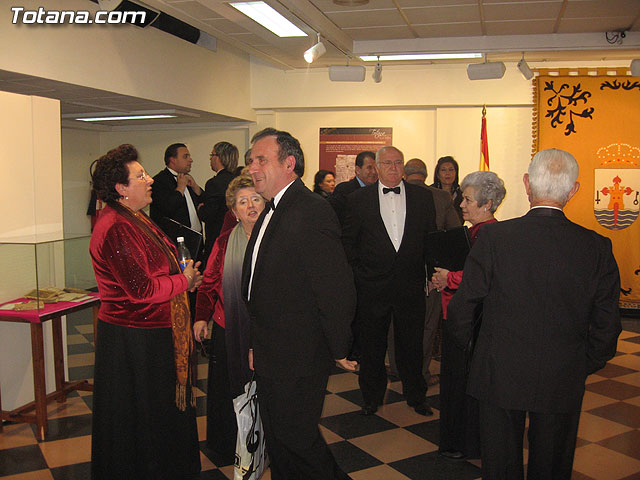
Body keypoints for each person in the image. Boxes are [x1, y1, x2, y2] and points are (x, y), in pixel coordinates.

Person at [447, 149, 621, 480]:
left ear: (527, 184)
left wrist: (474, 352)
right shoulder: (596, 247)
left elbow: (464, 306)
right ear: (574, 190)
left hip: (498, 369)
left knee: (500, 465)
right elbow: (607, 324)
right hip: (563, 372)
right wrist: (583, 363)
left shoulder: (496, 238)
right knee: (553, 465)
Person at [242, 128, 356, 480]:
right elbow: (264, 285)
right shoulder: (272, 209)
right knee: (279, 439)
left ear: (289, 163)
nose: (253, 167)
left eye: (262, 159)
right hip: (271, 348)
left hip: (299, 351)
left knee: (297, 438)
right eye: (251, 160)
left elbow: (334, 286)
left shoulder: (310, 210)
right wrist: (255, 344)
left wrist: (339, 346)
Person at [89, 144, 203, 480]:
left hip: (149, 333)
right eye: (140, 176)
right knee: (141, 418)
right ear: (121, 189)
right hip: (133, 340)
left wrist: (184, 279)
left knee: (154, 415)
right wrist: (183, 281)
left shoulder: (133, 217)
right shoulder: (115, 227)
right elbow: (141, 291)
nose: (150, 179)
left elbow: (154, 274)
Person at [342, 146, 437, 417]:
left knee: (412, 344)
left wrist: (431, 274)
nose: (394, 168)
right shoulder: (358, 199)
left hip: (410, 285)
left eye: (398, 163)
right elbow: (350, 244)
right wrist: (360, 277)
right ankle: (371, 398)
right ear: (377, 167)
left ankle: (416, 395)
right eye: (388, 163)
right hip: (372, 288)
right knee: (372, 346)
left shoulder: (422, 197)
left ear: (404, 166)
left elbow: (429, 239)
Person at [431, 170, 506, 460]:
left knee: (465, 382)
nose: (461, 204)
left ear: (487, 204)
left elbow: (482, 277)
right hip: (460, 317)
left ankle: (465, 442)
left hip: (473, 322)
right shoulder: (474, 232)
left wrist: (449, 278)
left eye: (468, 199)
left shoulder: (490, 233)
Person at [192, 173, 264, 464]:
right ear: (233, 212)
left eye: (256, 199)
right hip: (226, 326)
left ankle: (260, 444)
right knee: (224, 390)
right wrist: (200, 318)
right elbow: (209, 282)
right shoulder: (225, 242)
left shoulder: (275, 239)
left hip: (264, 330)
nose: (250, 206)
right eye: (242, 202)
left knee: (262, 390)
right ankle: (225, 446)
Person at [396, 158, 460, 387]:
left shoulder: (394, 193)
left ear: (406, 173)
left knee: (398, 322)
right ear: (426, 173)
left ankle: (396, 368)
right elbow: (453, 234)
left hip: (399, 272)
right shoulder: (441, 197)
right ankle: (420, 374)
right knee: (426, 325)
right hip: (429, 274)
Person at [150, 143, 203, 244]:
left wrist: (195, 187)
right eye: (185, 157)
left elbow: (205, 202)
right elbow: (167, 209)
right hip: (175, 243)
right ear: (173, 160)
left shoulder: (186, 178)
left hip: (196, 241)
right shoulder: (158, 182)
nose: (190, 160)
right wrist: (180, 188)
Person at [199, 141, 239, 260]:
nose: (210, 159)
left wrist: (200, 208)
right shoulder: (237, 180)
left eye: (212, 155)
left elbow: (208, 214)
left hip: (217, 238)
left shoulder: (214, 183)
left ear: (220, 157)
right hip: (235, 237)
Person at [328, 150, 377, 226]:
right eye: (369, 168)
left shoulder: (378, 191)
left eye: (376, 168)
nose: (374, 172)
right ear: (357, 170)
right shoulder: (344, 190)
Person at [432, 155, 463, 223]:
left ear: (456, 173)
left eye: (451, 170)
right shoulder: (430, 192)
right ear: (437, 174)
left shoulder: (461, 193)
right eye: (443, 170)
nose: (447, 173)